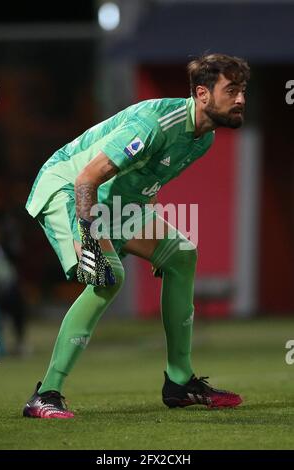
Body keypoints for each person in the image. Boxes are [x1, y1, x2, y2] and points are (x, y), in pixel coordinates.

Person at [23, 53, 250, 419]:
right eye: (233, 90)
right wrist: (90, 240)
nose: (241, 99)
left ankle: (180, 382)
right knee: (107, 277)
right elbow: (87, 178)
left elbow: (145, 182)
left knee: (181, 255)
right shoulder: (155, 124)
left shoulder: (201, 139)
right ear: (203, 94)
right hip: (68, 188)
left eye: (243, 91)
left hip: (117, 199)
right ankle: (45, 394)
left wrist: (155, 244)